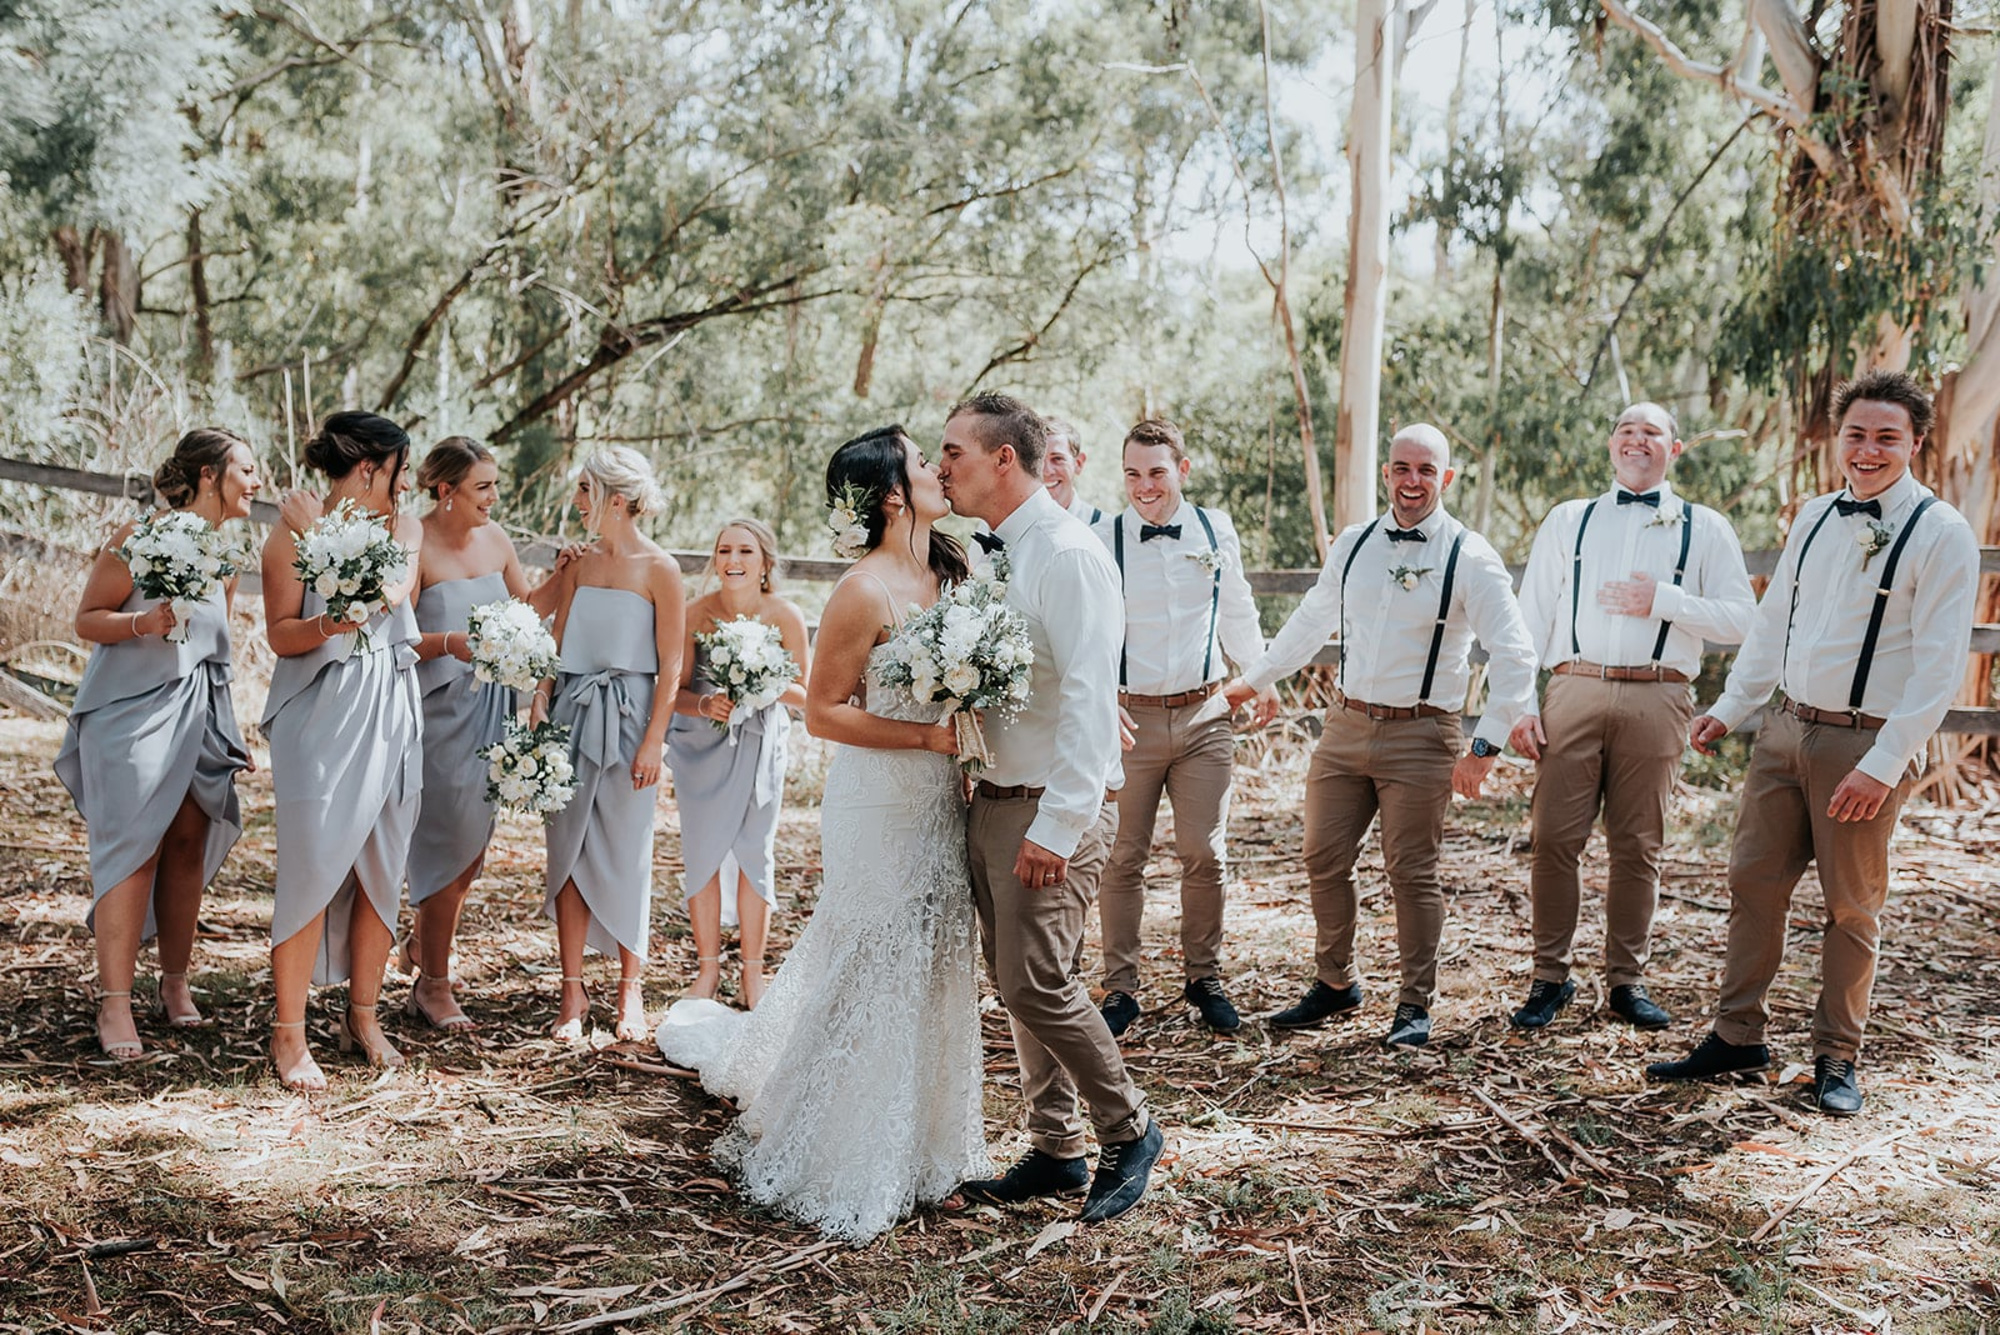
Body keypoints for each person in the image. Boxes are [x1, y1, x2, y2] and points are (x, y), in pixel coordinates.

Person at [657, 426, 984, 1241]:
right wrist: (925, 738)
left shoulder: (952, 567)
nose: (938, 469)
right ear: (892, 494)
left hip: (943, 797)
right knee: (872, 952)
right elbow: (825, 710)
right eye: (921, 462)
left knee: (936, 949)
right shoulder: (861, 590)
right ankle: (841, 1139)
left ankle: (929, 1147)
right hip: (879, 797)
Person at [1647, 370, 1979, 1115]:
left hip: (1862, 746)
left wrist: (1884, 763)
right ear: (1840, 439)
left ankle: (1837, 1055)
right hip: (1785, 729)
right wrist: (1734, 707)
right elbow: (1773, 626)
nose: (1868, 450)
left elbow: (1937, 669)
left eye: (1887, 437)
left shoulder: (1942, 532)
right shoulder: (1814, 516)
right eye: (1856, 434)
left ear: (1916, 443)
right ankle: (1738, 1036)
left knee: (1851, 909)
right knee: (1753, 883)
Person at [1223, 424, 1536, 1047]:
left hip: (1423, 733)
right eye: (1401, 468)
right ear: (1386, 473)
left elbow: (1517, 654)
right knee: (1322, 856)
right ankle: (1336, 983)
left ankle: (1415, 1003)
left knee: (1411, 871)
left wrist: (1485, 745)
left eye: (1426, 470)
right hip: (1345, 725)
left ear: (1445, 478)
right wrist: (1253, 680)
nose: (1412, 480)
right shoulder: (1356, 543)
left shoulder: (1470, 556)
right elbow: (1313, 618)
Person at [939, 392, 1165, 1223]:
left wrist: (1058, 825)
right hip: (994, 797)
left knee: (1037, 982)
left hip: (1047, 808)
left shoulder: (1068, 555)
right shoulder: (996, 554)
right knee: (1018, 982)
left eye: (954, 452)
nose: (941, 467)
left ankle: (1130, 1129)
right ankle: (1056, 1147)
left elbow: (1086, 699)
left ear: (1005, 458)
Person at [1506, 404, 1755, 1032]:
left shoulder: (1706, 527)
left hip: (1658, 695)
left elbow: (1743, 620)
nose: (1637, 440)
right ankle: (1548, 978)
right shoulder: (1569, 520)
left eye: (1651, 433)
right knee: (1554, 840)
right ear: (1611, 446)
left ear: (1673, 450)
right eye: (1625, 431)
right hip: (1574, 690)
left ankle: (1626, 982)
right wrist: (1518, 703)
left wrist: (1664, 603)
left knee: (1638, 845)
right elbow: (1529, 619)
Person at [56, 428, 259, 1059]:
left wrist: (231, 729)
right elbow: (88, 618)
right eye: (246, 470)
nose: (256, 484)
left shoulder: (225, 556)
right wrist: (145, 621)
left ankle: (175, 984)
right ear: (207, 475)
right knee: (134, 850)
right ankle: (114, 1003)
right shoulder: (138, 537)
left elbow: (216, 654)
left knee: (188, 843)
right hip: (131, 714)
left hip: (198, 713)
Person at [260, 412, 424, 1090]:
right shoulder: (283, 538)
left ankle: (363, 1016)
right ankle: (289, 1033)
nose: (406, 484)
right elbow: (282, 635)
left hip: (389, 703)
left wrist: (318, 533)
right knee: (311, 865)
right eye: (399, 470)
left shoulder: (403, 529)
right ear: (369, 468)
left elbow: (393, 591)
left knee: (381, 866)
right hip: (320, 712)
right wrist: (326, 619)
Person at [1090, 418, 1264, 1037]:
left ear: (1182, 471)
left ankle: (1204, 977)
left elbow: (1237, 604)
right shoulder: (1101, 535)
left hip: (1206, 714)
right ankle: (1120, 989)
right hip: (1129, 720)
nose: (1144, 486)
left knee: (1204, 853)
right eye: (1133, 474)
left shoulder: (1216, 528)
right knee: (1121, 858)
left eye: (1157, 472)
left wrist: (1260, 675)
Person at [402, 437, 557, 1032]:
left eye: (494, 484)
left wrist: (562, 578)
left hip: (493, 712)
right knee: (449, 846)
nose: (494, 497)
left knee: (471, 856)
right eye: (483, 487)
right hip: (440, 713)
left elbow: (528, 613)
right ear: (446, 492)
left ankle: (424, 949)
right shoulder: (416, 543)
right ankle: (433, 986)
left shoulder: (496, 541)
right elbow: (400, 637)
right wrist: (450, 644)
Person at [538, 448, 684, 1044]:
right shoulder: (577, 562)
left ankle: (630, 989)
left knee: (627, 852)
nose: (575, 502)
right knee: (566, 851)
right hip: (570, 713)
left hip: (629, 719)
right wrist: (539, 700)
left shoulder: (661, 569)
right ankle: (572, 992)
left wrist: (655, 741)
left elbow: (672, 662)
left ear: (614, 501)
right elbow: (551, 631)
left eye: (582, 490)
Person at [668, 518, 810, 1010]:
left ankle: (753, 974)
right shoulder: (694, 613)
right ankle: (707, 971)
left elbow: (804, 694)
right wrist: (706, 705)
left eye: (745, 551)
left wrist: (761, 682)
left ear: (765, 562)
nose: (733, 560)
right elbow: (676, 692)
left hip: (760, 743)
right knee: (702, 851)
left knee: (755, 852)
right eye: (724, 550)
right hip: (701, 746)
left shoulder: (785, 615)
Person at [1043, 417, 1102, 523]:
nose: (1047, 471)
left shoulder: (1105, 529)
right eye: (1038, 460)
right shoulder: (1011, 529)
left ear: (1078, 463)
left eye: (1057, 458)